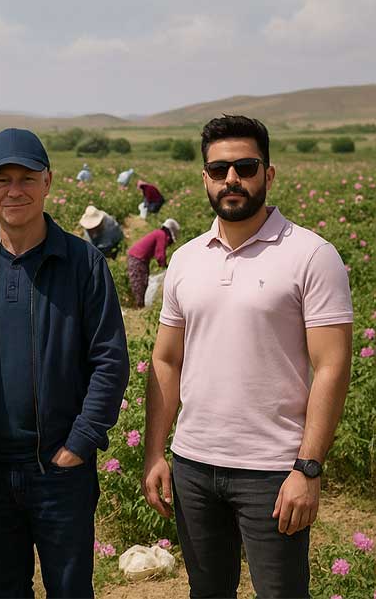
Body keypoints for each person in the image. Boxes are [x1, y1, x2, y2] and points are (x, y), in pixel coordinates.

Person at [142, 115, 353, 598]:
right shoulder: (186, 259)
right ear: (205, 178)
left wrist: (308, 468)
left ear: (268, 174)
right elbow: (166, 360)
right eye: (219, 170)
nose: (231, 179)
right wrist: (156, 451)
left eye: (245, 166)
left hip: (274, 472)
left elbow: (332, 366)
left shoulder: (310, 255)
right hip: (193, 465)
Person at [0, 128, 130, 598]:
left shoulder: (83, 264)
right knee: (6, 590)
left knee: (70, 589)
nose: (15, 190)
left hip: (61, 469)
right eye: (3, 179)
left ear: (48, 181)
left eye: (27, 177)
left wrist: (80, 441)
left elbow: (109, 361)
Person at [125, 219, 179, 308]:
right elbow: (160, 254)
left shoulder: (159, 233)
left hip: (140, 258)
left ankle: (141, 305)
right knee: (139, 282)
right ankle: (140, 306)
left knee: (143, 281)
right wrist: (166, 266)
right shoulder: (161, 234)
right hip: (137, 259)